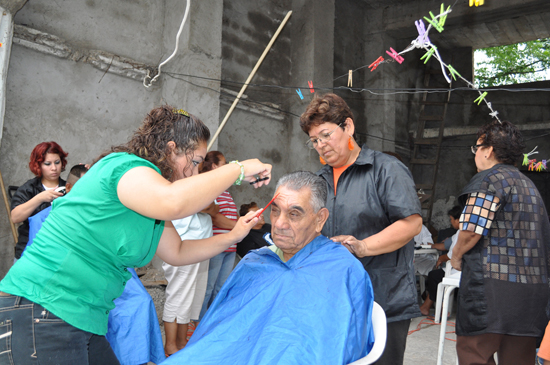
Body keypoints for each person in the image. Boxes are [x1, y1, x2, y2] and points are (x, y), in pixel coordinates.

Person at [0, 105, 271, 364]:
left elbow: (177, 252)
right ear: (171, 149)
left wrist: (234, 235)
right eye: (196, 161)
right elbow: (174, 201)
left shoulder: (149, 201)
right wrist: (238, 169)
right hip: (43, 304)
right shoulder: (126, 167)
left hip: (82, 316)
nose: (196, 172)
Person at [162, 171, 375, 365]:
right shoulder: (254, 262)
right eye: (275, 211)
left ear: (320, 219)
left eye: (294, 214)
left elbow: (342, 344)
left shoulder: (342, 268)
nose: (279, 224)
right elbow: (219, 331)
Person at [300, 93, 422, 365]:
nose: (321, 145)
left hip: (383, 297)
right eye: (314, 141)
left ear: (349, 127)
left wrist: (363, 246)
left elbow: (412, 223)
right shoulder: (317, 181)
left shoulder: (385, 169)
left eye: (326, 134)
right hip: (334, 298)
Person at [450, 120, 550, 364]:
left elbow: (472, 230)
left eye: (477, 148)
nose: (476, 154)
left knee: (475, 354)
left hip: (492, 294)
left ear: (489, 150)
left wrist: (456, 255)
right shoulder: (530, 186)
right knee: (518, 359)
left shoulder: (488, 180)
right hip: (530, 299)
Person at [162, 210, 214, 356]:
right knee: (178, 295)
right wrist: (211, 207)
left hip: (199, 240)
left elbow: (212, 208)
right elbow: (210, 207)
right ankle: (170, 346)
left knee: (190, 298)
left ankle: (181, 342)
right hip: (184, 241)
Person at [197, 151, 239, 321]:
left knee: (221, 287)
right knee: (208, 288)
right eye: (225, 162)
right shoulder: (212, 189)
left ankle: (213, 321)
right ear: (215, 166)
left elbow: (230, 216)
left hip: (230, 247)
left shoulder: (225, 191)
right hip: (217, 245)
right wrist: (240, 227)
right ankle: (199, 322)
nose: (228, 166)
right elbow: (217, 218)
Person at [10, 141, 68, 261]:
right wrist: (40, 198)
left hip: (58, 253)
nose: (54, 168)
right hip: (29, 253)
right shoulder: (29, 189)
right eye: (48, 164)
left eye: (57, 162)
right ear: (38, 165)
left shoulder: (68, 188)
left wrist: (86, 173)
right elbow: (15, 217)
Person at [419, 205, 462, 316]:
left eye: (451, 219)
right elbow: (445, 245)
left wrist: (441, 258)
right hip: (458, 268)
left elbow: (452, 255)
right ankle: (428, 307)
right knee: (435, 275)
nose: (451, 222)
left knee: (434, 276)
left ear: (458, 220)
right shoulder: (459, 233)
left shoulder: (462, 234)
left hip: (460, 270)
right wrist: (431, 246)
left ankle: (441, 308)